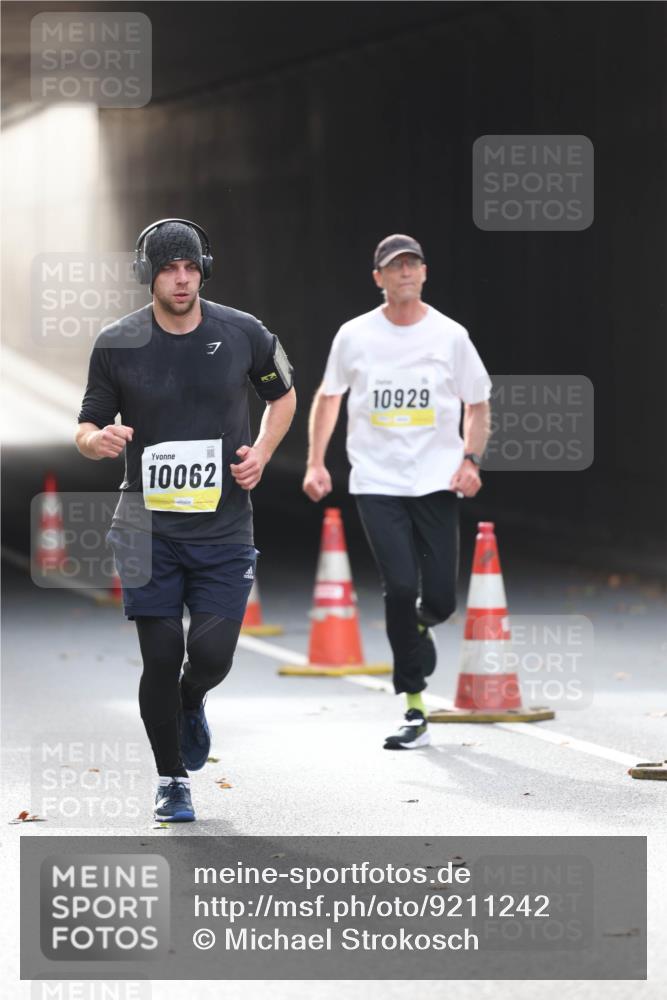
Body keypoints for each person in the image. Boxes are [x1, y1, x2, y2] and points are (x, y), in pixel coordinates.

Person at [76, 218, 296, 820]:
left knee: (214, 653)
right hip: (146, 526)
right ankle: (172, 778)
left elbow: (283, 396)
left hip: (224, 526)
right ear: (148, 274)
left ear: (204, 269)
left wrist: (264, 453)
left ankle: (191, 698)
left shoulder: (243, 331)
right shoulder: (117, 341)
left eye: (191, 267)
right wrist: (97, 441)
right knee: (161, 651)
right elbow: (87, 422)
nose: (181, 279)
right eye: (169, 269)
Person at [303, 233, 490, 750]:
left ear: (424, 273)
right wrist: (316, 462)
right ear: (378, 278)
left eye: (413, 264)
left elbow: (477, 403)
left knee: (441, 601)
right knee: (400, 587)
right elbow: (329, 396)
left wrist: (470, 460)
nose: (405, 272)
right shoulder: (355, 336)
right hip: (377, 482)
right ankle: (413, 705)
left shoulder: (451, 337)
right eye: (394, 266)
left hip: (436, 481)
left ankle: (423, 629)